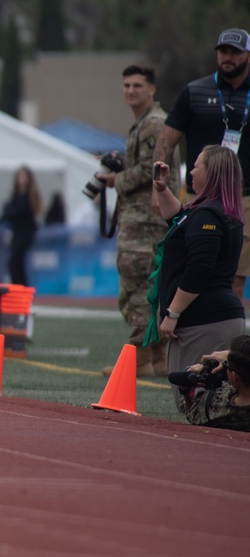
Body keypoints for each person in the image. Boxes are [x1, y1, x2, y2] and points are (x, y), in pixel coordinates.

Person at [154, 28, 250, 300]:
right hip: (200, 198)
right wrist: (156, 187)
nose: (227, 57)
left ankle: (229, 341)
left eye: (235, 52)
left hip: (244, 199)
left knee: (233, 279)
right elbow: (166, 141)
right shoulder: (195, 91)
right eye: (223, 52)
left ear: (248, 56)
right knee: (194, 267)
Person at [97, 65, 176, 377]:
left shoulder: (152, 123)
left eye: (137, 86)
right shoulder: (147, 123)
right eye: (126, 85)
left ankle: (139, 359)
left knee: (137, 290)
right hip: (147, 221)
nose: (130, 91)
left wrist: (115, 179)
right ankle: (156, 359)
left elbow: (152, 169)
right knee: (149, 289)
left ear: (151, 89)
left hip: (144, 223)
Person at [149, 146, 245, 388]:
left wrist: (173, 313)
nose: (191, 171)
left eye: (196, 165)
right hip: (215, 318)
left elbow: (199, 268)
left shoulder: (208, 216)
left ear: (210, 173)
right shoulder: (215, 211)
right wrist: (162, 189)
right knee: (205, 402)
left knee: (197, 400)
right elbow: (179, 220)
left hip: (204, 321)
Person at [173, 335, 250, 431]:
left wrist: (187, 393)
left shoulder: (215, 407)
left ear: (234, 377)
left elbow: (193, 413)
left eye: (227, 365)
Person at [0, 165, 41, 286]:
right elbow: (8, 212)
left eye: (23, 176)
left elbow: (19, 211)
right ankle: (17, 287)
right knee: (14, 262)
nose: (21, 179)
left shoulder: (30, 196)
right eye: (19, 176)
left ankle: (22, 288)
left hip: (25, 233)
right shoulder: (15, 195)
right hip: (17, 232)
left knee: (17, 261)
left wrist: (11, 211)